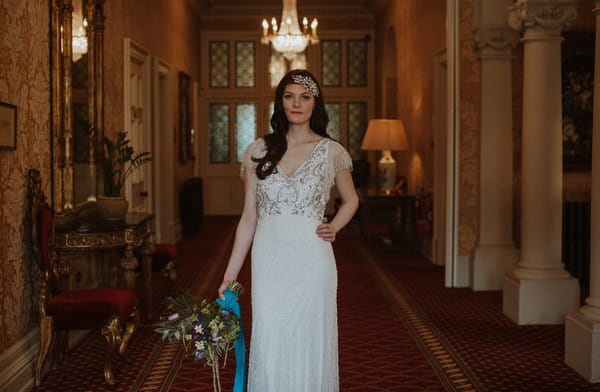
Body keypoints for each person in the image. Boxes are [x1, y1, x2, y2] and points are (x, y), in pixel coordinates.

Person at [218, 69, 359, 392]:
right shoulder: (257, 150)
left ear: (315, 103)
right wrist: (230, 275)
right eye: (289, 96)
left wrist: (334, 226)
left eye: (305, 97)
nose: (297, 104)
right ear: (280, 102)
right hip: (270, 263)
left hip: (313, 263)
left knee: (310, 338)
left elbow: (352, 200)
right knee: (269, 333)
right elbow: (248, 218)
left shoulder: (331, 151)